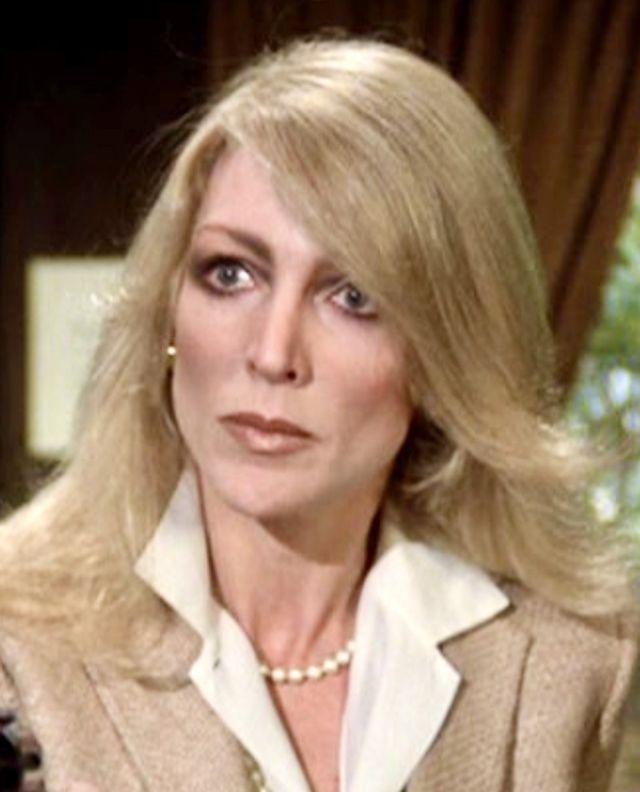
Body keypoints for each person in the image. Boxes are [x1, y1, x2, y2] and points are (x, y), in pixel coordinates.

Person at [0, 36, 637, 792]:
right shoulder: (18, 652)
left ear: (444, 355)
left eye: (354, 297)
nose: (273, 354)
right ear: (169, 313)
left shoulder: (584, 669)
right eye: (230, 274)